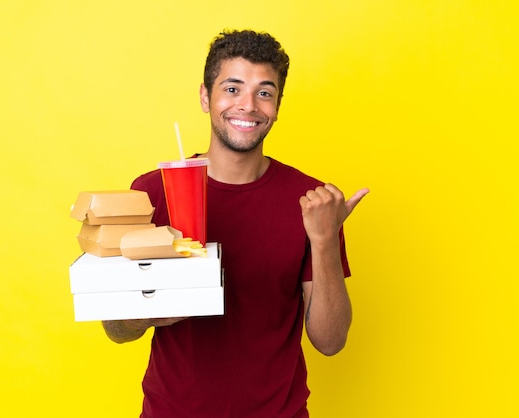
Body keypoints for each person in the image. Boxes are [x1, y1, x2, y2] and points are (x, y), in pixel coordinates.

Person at [102, 29, 369, 418]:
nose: (248, 106)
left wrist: (325, 240)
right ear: (205, 97)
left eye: (264, 92)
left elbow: (330, 341)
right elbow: (116, 330)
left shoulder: (312, 202)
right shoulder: (151, 193)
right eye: (232, 89)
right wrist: (153, 309)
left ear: (277, 105)